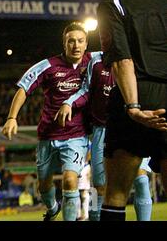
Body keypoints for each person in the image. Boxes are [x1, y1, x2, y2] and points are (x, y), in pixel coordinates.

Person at [96, 0, 167, 221]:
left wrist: (133, 108)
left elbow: (122, 59)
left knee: (116, 194)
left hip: (133, 97)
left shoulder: (111, 3)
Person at [3, 22, 96, 221]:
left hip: (76, 136)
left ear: (87, 44)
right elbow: (23, 88)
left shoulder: (92, 62)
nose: (76, 45)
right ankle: (53, 209)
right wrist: (12, 117)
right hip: (47, 135)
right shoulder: (48, 65)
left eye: (80, 41)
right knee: (44, 185)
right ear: (64, 44)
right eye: (71, 41)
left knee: (70, 180)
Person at [56, 51, 153, 221]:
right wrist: (68, 102)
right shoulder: (95, 61)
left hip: (132, 125)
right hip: (102, 130)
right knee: (98, 188)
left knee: (140, 177)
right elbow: (85, 89)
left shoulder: (136, 57)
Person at [76, 149, 91, 221]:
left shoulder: (88, 143)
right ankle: (78, 215)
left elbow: (89, 154)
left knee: (84, 194)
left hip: (84, 166)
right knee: (75, 195)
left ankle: (86, 215)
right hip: (75, 167)